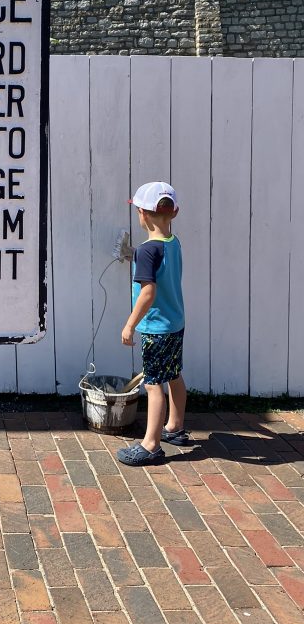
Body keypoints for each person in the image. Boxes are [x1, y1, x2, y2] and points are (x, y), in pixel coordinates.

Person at [117, 181, 188, 466]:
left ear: (142, 214)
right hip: (175, 322)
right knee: (174, 375)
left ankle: (151, 445)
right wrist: (133, 254)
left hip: (155, 328)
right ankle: (176, 427)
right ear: (175, 213)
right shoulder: (173, 242)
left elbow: (148, 292)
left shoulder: (148, 252)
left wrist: (130, 324)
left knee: (153, 384)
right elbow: (157, 261)